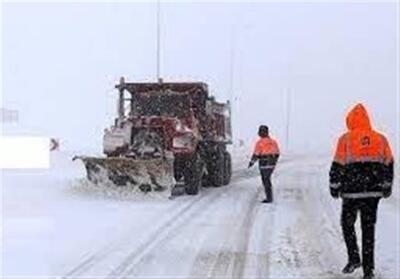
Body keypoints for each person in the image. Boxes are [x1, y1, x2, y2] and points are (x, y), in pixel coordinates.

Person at [329, 103, 394, 279]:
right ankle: (368, 271)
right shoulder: (381, 139)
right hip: (373, 194)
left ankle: (354, 258)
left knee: (347, 224)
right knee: (368, 230)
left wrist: (334, 187)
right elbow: (389, 164)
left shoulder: (346, 139)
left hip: (351, 193)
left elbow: (337, 165)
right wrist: (387, 186)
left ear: (350, 121)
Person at [248, 125, 280, 203]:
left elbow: (256, 154)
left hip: (263, 163)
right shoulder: (273, 142)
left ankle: (269, 198)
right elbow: (277, 153)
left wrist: (251, 162)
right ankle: (269, 197)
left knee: (265, 180)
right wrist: (273, 161)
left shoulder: (260, 142)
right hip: (271, 163)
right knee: (267, 179)